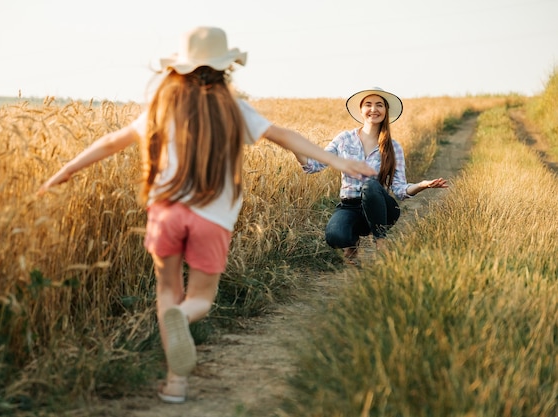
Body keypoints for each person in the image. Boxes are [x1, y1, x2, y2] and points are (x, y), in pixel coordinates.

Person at [37, 26, 377, 403]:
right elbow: (284, 136)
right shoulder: (235, 109)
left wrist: (66, 171)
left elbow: (109, 141)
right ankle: (184, 325)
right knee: (196, 299)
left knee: (167, 291)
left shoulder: (162, 107)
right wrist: (335, 159)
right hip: (212, 218)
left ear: (178, 69)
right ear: (225, 68)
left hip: (165, 212)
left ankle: (176, 383)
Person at [293, 87, 448, 266]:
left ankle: (380, 241)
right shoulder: (344, 139)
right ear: (361, 110)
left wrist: (422, 185)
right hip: (349, 206)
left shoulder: (393, 147)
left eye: (379, 105)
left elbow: (399, 190)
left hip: (381, 209)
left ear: (386, 111)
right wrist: (295, 148)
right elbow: (313, 166)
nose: (373, 109)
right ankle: (351, 243)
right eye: (368, 104)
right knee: (335, 236)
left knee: (370, 186)